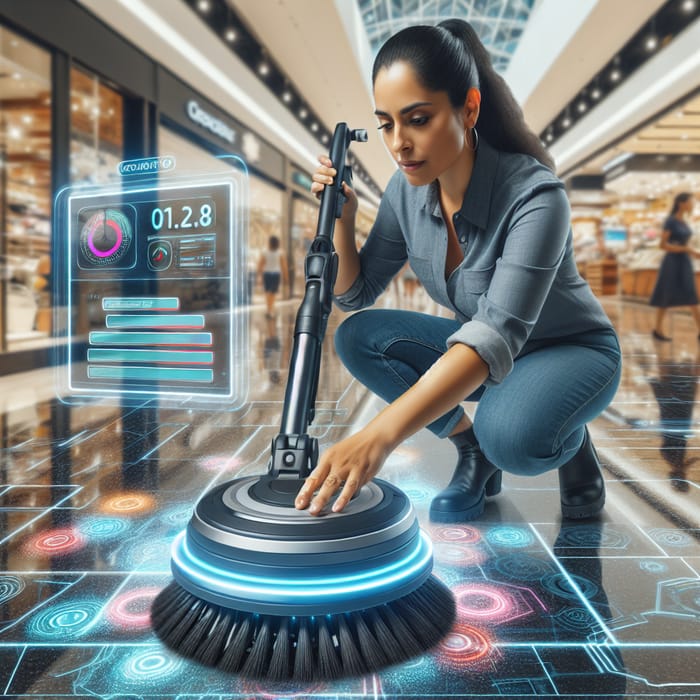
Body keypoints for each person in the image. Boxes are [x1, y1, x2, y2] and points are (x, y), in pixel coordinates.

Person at [294, 19, 622, 522]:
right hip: (484, 351)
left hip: (568, 351)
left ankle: (568, 438)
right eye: (386, 124)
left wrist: (378, 436)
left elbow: (494, 334)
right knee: (358, 337)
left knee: (510, 436)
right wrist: (342, 220)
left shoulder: (535, 196)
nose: (398, 143)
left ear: (468, 108)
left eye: (417, 119)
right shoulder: (406, 191)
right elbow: (355, 295)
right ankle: (473, 451)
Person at [649, 192, 699, 341]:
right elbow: (663, 245)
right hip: (672, 262)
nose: (693, 205)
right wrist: (687, 249)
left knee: (691, 294)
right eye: (691, 202)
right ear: (681, 203)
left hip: (684, 261)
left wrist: (690, 251)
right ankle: (657, 329)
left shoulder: (683, 221)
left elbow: (683, 243)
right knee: (666, 294)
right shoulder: (670, 221)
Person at [257, 235, 288, 318]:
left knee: (268, 292)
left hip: (267, 274)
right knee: (273, 293)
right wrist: (286, 277)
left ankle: (269, 310)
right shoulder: (280, 252)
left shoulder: (265, 252)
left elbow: (260, 264)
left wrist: (259, 275)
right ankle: (271, 310)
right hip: (276, 274)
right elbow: (284, 266)